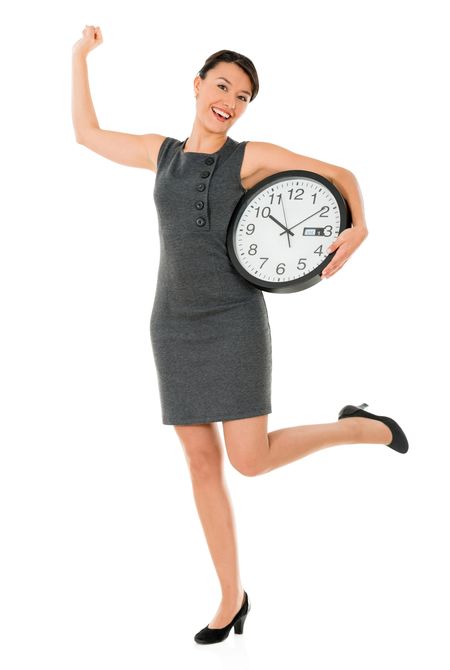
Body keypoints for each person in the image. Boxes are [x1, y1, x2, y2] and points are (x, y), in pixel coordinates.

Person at [72, 26, 409, 645]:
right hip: (171, 325)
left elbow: (339, 172)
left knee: (249, 461)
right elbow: (87, 135)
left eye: (243, 95)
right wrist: (78, 56)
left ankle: (360, 425)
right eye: (221, 85)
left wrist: (358, 225)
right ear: (198, 86)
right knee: (202, 465)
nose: (229, 99)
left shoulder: (249, 157)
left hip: (234, 321)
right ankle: (231, 596)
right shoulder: (161, 152)